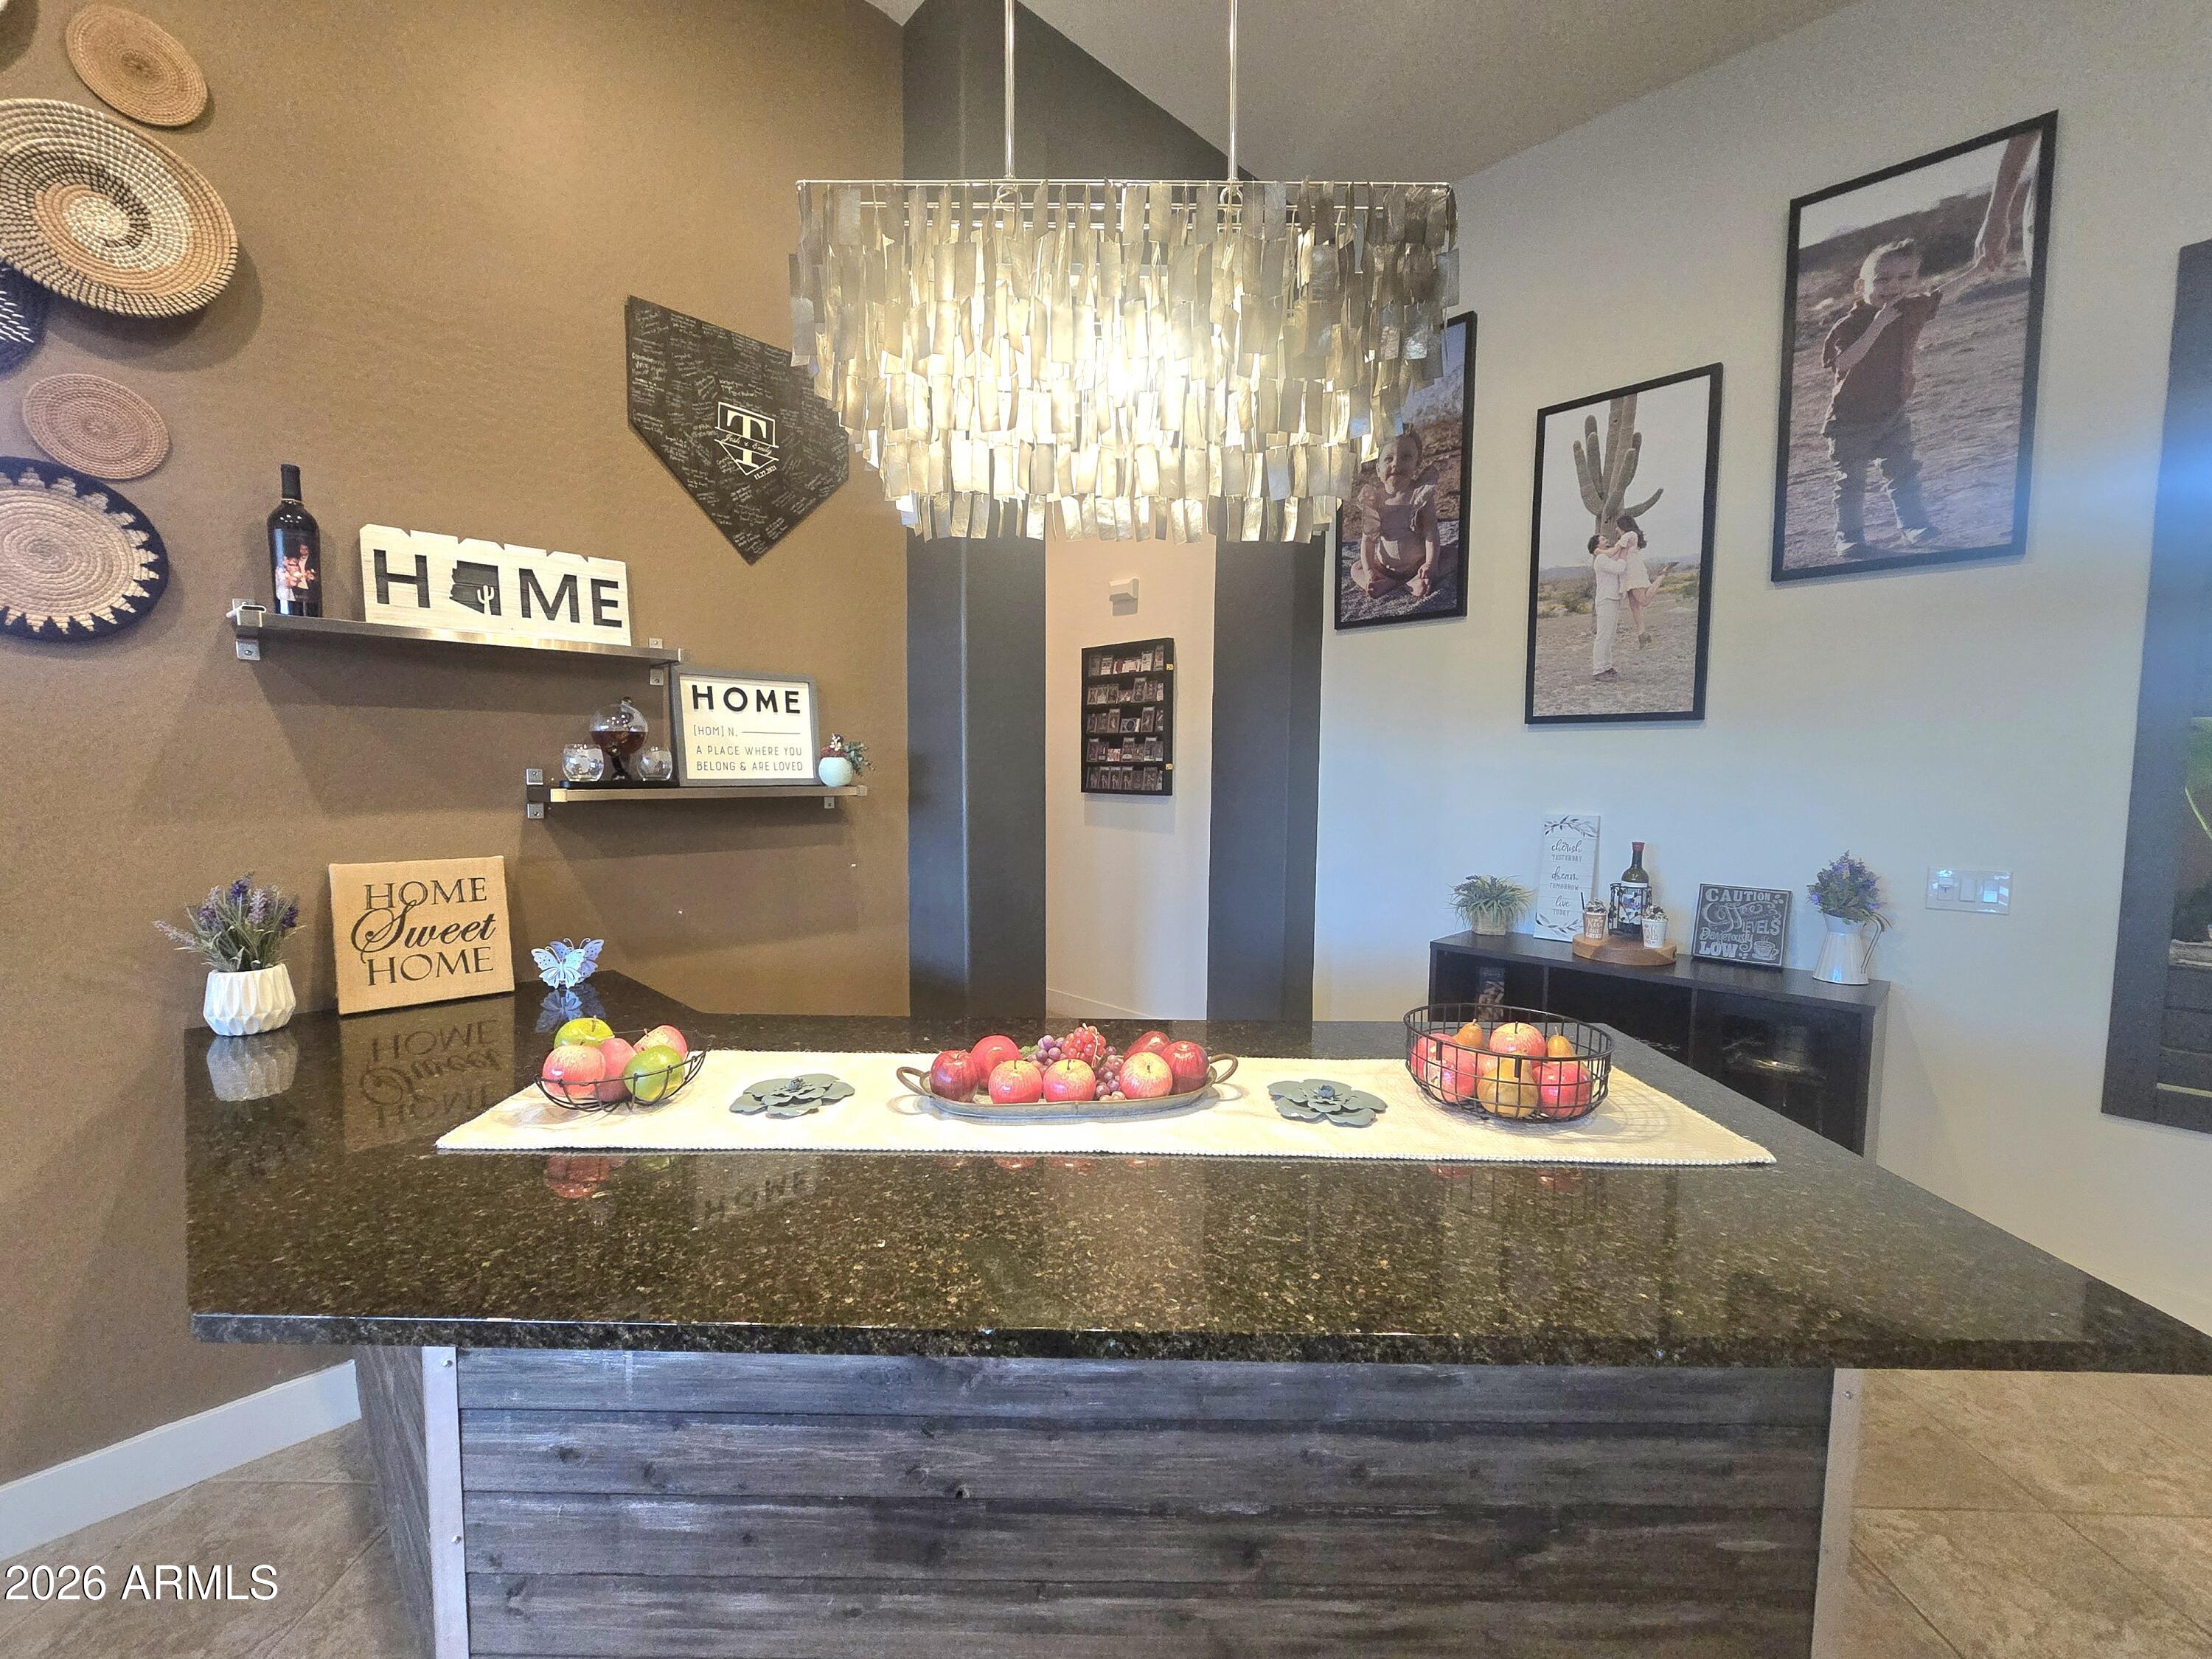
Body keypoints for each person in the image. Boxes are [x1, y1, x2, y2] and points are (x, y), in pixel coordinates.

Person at [1821, 237, 1994, 558]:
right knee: (1851, 481)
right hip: (1850, 420)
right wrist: (1876, 326)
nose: (1893, 286)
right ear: (1861, 286)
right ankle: (1850, 536)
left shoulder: (1911, 309)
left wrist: (1978, 270)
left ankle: (1913, 525)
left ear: (1914, 281)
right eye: (1883, 279)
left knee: (1903, 472)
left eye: (1904, 278)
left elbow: (1943, 294)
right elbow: (1843, 363)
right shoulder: (1849, 325)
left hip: (1893, 413)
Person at [1347, 431, 1441, 600]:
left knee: (1453, 556)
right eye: (1388, 459)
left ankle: (1414, 581)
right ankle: (1386, 582)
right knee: (1356, 568)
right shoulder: (1374, 501)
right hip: (1385, 568)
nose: (1396, 464)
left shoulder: (1420, 495)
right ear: (1378, 468)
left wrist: (1430, 564)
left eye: (1406, 457)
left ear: (1417, 463)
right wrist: (1370, 572)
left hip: (1417, 565)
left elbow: (1431, 532)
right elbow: (1368, 541)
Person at [1613, 515, 1660, 646]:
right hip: (1627, 573)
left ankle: (1662, 576)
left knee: (1643, 601)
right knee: (1634, 605)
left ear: (1623, 526)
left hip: (1634, 572)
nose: (1616, 529)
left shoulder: (1630, 535)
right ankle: (1642, 633)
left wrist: (1600, 552)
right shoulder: (1628, 536)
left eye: (1618, 526)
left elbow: (1617, 550)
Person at [1590, 532, 1630, 683]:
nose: (1607, 540)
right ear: (1598, 545)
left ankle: (1607, 666)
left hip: (1612, 599)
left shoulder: (1606, 557)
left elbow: (1617, 554)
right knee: (1603, 636)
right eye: (1603, 540)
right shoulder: (1601, 559)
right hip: (1606, 599)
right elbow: (1620, 568)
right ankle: (1598, 670)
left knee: (1610, 636)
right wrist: (1623, 553)